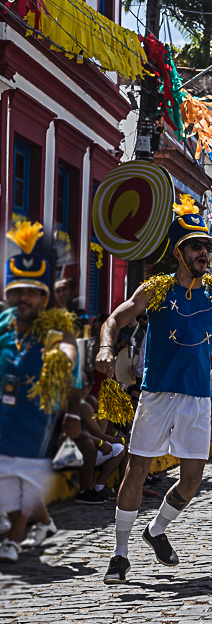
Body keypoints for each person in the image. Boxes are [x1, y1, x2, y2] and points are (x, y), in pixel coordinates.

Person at [96, 198, 212, 584]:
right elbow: (116, 317)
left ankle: (157, 530)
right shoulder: (157, 289)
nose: (204, 252)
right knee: (137, 469)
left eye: (208, 247)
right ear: (180, 252)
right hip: (158, 393)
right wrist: (105, 347)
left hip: (197, 398)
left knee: (193, 477)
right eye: (196, 246)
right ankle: (120, 554)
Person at [0, 221, 81, 563]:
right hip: (4, 417)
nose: (23, 299)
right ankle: (33, 526)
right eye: (18, 291)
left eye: (31, 293)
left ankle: (12, 541)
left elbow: (70, 357)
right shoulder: (3, 326)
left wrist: (74, 414)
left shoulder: (55, 330)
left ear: (43, 298)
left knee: (26, 478)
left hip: (36, 420)